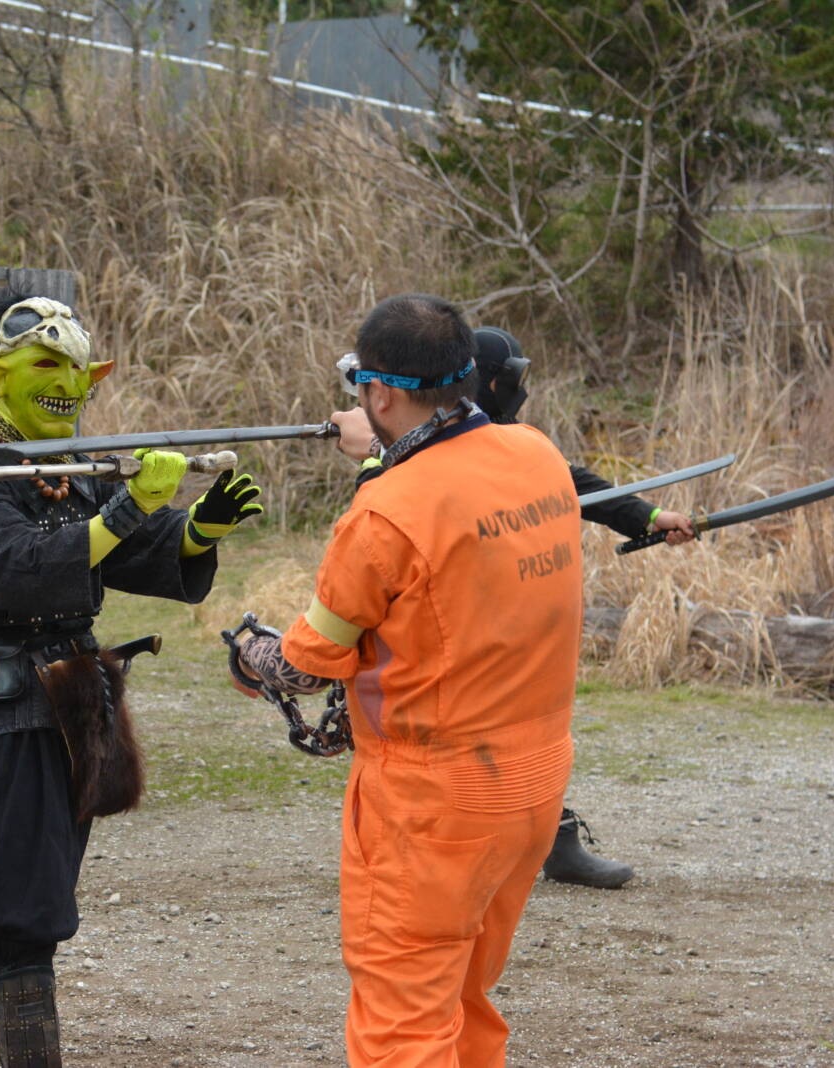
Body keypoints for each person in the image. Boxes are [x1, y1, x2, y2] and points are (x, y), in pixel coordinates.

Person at [232, 293, 584, 1066]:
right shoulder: (537, 455)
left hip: (431, 807)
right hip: (533, 786)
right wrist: (385, 451)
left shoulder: (385, 512)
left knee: (403, 1027)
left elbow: (302, 665)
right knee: (464, 1001)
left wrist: (249, 651)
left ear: (380, 394)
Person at [0, 293, 262, 1067]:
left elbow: (125, 546)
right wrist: (129, 507)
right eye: (46, 365)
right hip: (1, 710)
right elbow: (19, 569)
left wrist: (195, 528)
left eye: (79, 371)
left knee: (27, 889)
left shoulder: (62, 466)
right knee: (20, 912)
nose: (68, 385)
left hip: (67, 706)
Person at [328, 325, 695, 889]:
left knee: (518, 723)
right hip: (445, 618)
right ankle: (439, 851)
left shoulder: (506, 442)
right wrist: (377, 455)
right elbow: (383, 522)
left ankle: (549, 832)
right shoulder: (422, 446)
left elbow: (568, 482)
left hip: (504, 608)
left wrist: (645, 517)